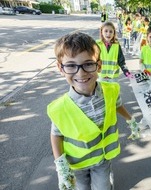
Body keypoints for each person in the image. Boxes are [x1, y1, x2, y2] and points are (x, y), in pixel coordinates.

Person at [47, 32, 138, 190]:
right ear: (60, 68)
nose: (80, 73)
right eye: (71, 65)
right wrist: (61, 167)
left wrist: (131, 120)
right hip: (76, 164)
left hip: (102, 159)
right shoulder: (60, 108)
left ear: (99, 65)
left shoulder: (111, 90)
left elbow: (116, 105)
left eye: (88, 64)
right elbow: (56, 134)